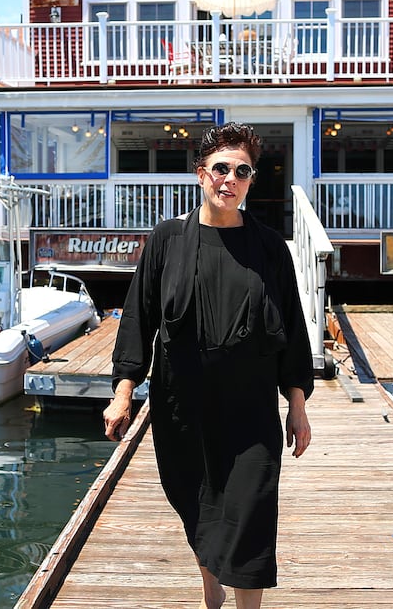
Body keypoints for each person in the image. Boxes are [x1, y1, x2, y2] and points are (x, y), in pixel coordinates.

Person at [104, 122, 313, 609]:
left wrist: (297, 406)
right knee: (199, 504)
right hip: (184, 406)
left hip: (251, 408)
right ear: (202, 174)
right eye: (221, 168)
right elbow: (139, 317)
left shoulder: (269, 249)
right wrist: (123, 393)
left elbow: (295, 332)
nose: (230, 179)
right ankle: (210, 590)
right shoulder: (167, 240)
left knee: (253, 513)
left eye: (242, 171)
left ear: (250, 180)